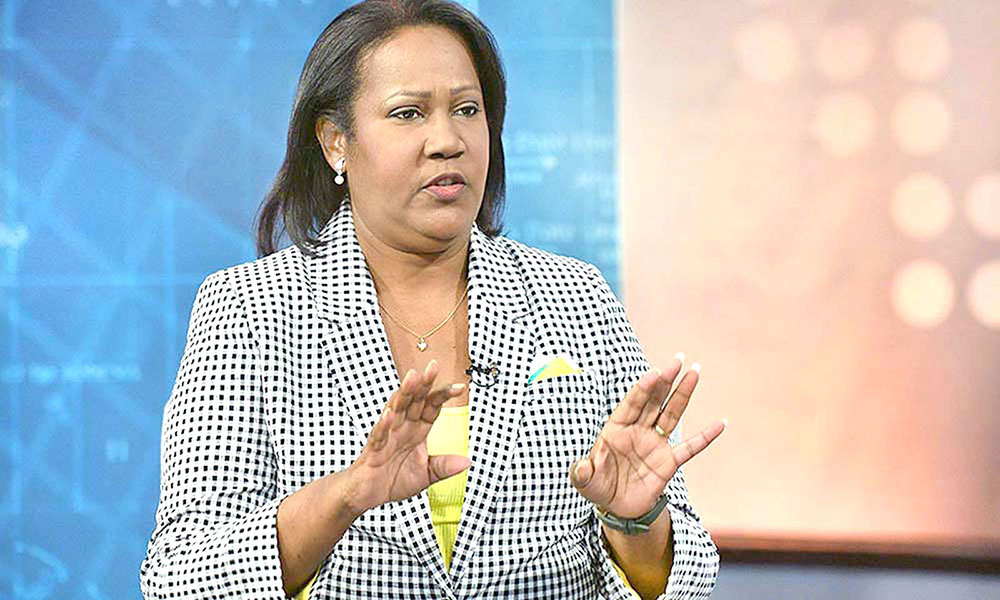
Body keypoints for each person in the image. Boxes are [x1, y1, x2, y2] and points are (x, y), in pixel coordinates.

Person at [139, 1, 725, 599]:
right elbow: (180, 579)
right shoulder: (250, 309)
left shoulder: (576, 299)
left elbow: (689, 577)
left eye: (467, 110)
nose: (447, 141)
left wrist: (635, 522)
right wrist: (344, 496)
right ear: (336, 142)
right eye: (408, 113)